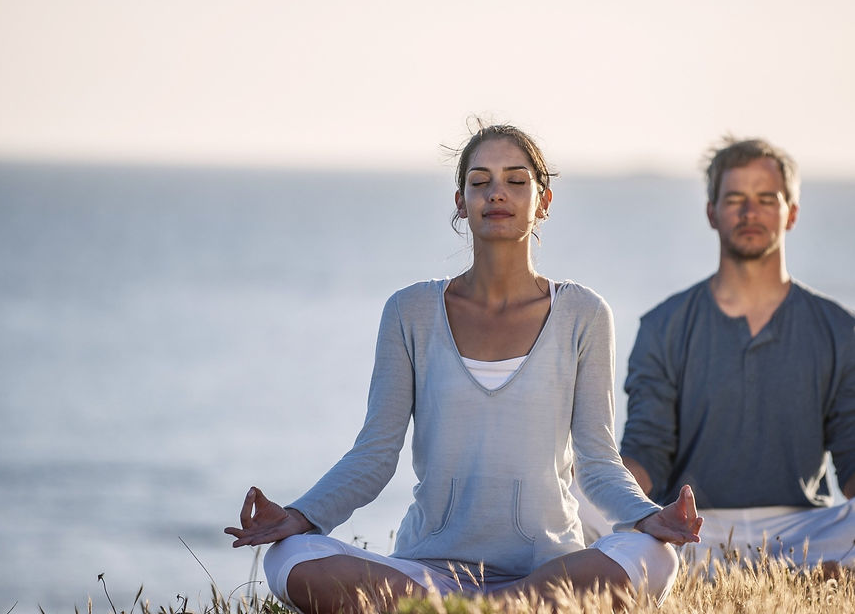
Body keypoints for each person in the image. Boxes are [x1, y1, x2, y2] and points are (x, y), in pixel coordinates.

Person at [224, 124, 702, 614]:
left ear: (544, 201)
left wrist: (648, 518)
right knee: (291, 558)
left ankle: (485, 609)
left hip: (546, 570)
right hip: (428, 572)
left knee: (654, 557)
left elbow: (598, 463)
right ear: (461, 201)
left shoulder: (584, 313)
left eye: (517, 181)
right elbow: (374, 455)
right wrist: (301, 516)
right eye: (481, 181)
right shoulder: (409, 312)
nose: (497, 192)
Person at [609, 136, 855, 572]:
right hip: (688, 532)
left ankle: (822, 569)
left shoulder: (838, 329)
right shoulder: (664, 325)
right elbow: (646, 450)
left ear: (791, 213)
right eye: (735, 198)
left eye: (766, 199)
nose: (749, 212)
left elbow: (851, 455)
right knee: (583, 504)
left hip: (804, 531)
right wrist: (584, 486)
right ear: (711, 212)